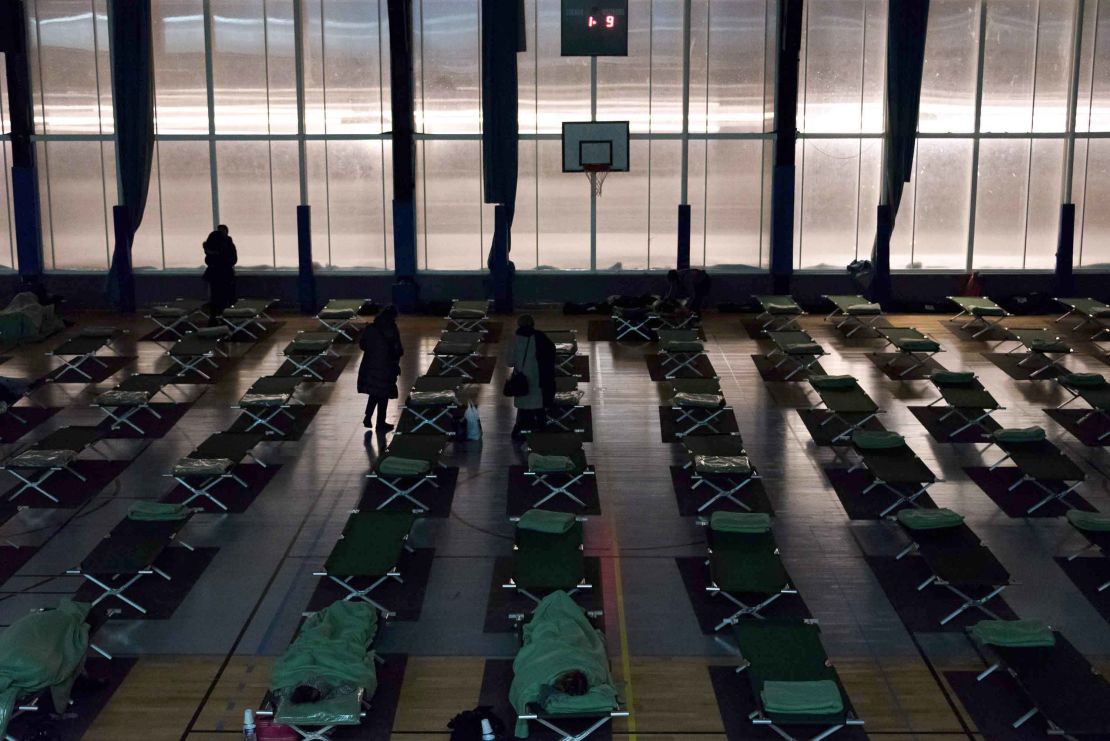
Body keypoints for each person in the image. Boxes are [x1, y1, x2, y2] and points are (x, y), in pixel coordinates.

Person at [357, 306, 403, 432]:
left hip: (370, 365)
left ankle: (368, 417)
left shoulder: (371, 328)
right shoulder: (391, 329)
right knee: (383, 395)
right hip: (386, 366)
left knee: (374, 393)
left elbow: (362, 345)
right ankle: (380, 423)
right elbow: (397, 349)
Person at [510, 314, 555, 441]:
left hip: (521, 380)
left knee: (523, 409)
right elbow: (551, 354)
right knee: (539, 407)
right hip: (539, 379)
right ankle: (542, 433)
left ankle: (520, 432)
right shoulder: (540, 338)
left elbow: (509, 362)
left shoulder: (514, 340)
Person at [202, 225, 238, 317]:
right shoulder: (227, 245)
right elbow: (233, 260)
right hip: (224, 274)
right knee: (223, 297)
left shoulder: (213, 245)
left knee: (217, 297)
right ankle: (223, 315)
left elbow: (208, 260)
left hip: (217, 274)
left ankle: (217, 315)